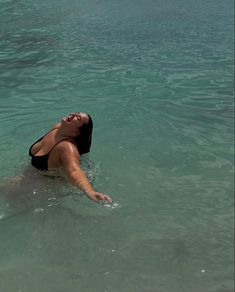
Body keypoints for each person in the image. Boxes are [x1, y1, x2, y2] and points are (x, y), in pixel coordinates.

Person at [29, 112, 112, 204]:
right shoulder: (57, 128)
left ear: (76, 132)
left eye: (78, 118)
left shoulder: (67, 148)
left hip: (42, 190)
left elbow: (74, 171)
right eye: (76, 113)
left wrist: (90, 191)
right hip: (29, 178)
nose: (73, 114)